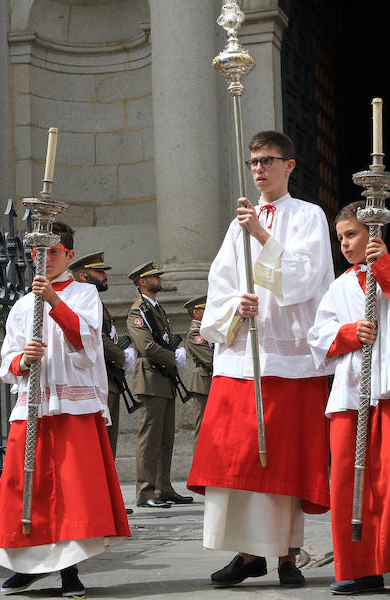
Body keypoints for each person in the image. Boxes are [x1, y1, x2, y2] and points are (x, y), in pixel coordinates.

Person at [187, 130, 333, 588]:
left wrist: (261, 233)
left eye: (268, 160)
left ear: (289, 165)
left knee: (285, 459)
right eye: (253, 161)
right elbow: (221, 283)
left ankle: (288, 556)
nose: (258, 168)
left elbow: (306, 280)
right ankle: (248, 554)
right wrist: (236, 307)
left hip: (289, 361)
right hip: (243, 358)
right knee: (240, 460)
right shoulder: (237, 225)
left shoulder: (309, 216)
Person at [308, 201, 390, 594]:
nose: (345, 245)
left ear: (373, 234)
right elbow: (319, 337)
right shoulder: (339, 286)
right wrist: (351, 333)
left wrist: (384, 268)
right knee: (352, 484)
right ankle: (363, 568)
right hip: (353, 395)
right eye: (340, 238)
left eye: (351, 235)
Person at [0, 223, 130, 597]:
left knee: (71, 489)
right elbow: (6, 362)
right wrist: (22, 359)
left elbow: (86, 342)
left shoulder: (84, 294)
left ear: (68, 255)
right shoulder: (21, 305)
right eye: (38, 253)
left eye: (52, 252)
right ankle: (27, 565)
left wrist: (53, 300)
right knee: (27, 485)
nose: (44, 259)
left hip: (72, 405)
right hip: (33, 406)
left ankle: (69, 570)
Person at [126, 261, 192, 509]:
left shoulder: (156, 309)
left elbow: (163, 339)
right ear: (142, 282)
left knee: (166, 437)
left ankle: (163, 487)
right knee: (150, 437)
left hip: (164, 378)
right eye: (154, 277)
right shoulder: (138, 312)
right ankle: (145, 491)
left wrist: (178, 350)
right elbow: (147, 346)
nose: (159, 279)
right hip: (151, 377)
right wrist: (171, 357)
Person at [69, 250, 130, 456]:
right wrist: (121, 357)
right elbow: (96, 339)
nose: (105, 276)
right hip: (93, 380)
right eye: (100, 272)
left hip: (109, 379)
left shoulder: (97, 302)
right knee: (100, 445)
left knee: (108, 446)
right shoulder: (80, 302)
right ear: (83, 276)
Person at [183, 295, 213, 438]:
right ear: (196, 313)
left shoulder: (207, 331)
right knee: (203, 428)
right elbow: (209, 359)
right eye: (206, 309)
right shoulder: (195, 333)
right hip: (203, 382)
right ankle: (199, 460)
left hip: (210, 380)